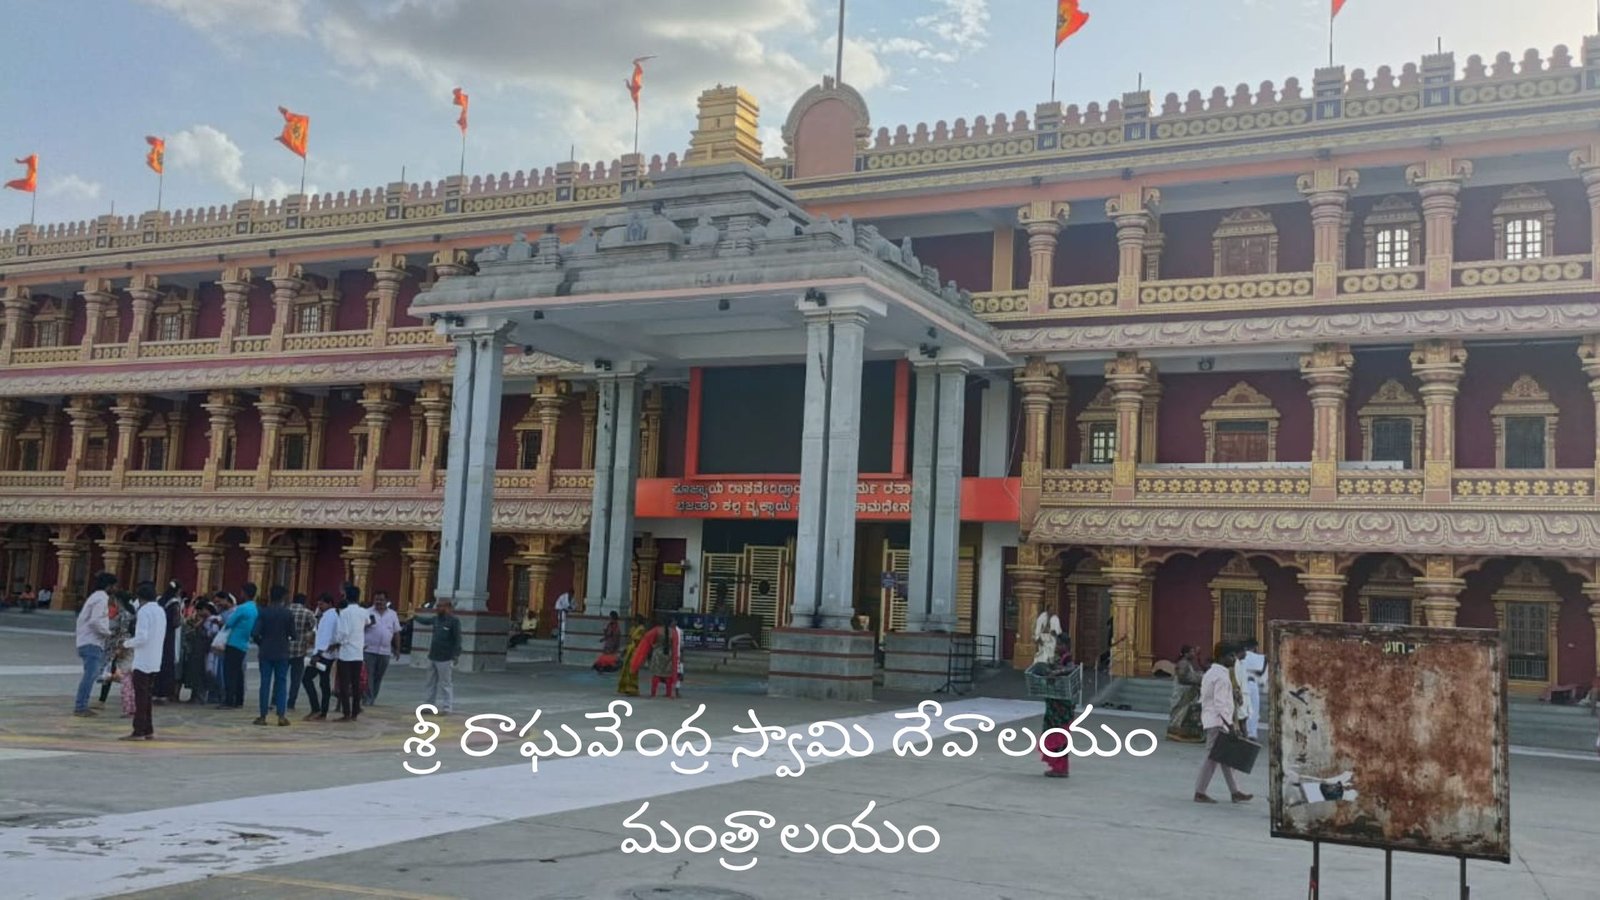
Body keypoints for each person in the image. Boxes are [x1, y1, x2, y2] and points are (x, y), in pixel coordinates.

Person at [1195, 642, 1252, 804]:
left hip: (1213, 718)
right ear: (1221, 657)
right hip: (1218, 721)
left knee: (1226, 757)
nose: (1234, 659)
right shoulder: (1221, 676)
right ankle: (1200, 792)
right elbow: (1220, 704)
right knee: (1212, 758)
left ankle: (1235, 791)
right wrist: (1231, 726)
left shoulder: (1211, 673)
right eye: (1231, 656)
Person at [122, 582, 167, 741]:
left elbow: (142, 637)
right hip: (155, 658)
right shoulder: (161, 610)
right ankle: (148, 728)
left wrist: (126, 644)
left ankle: (139, 730)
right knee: (146, 696)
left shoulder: (144, 611)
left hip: (143, 660)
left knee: (140, 697)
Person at [73, 572, 117, 717]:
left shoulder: (95, 597)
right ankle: (80, 706)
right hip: (92, 641)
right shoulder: (101, 598)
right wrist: (108, 633)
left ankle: (81, 704)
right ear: (109, 586)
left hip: (87, 640)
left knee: (91, 674)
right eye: (114, 586)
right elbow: (95, 621)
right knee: (90, 675)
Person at [251, 585, 296, 726]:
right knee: (281, 683)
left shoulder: (263, 612)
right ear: (283, 597)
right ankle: (281, 716)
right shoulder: (287, 613)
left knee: (265, 683)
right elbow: (293, 634)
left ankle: (263, 716)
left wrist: (262, 643)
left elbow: (254, 633)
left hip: (266, 652)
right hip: (282, 651)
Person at [220, 583, 259, 709]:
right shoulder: (255, 609)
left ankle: (229, 700)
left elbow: (229, 622)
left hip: (234, 641)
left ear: (244, 593)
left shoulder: (242, 608)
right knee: (238, 673)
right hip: (244, 642)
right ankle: (239, 699)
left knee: (229, 672)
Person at [334, 584, 368, 721]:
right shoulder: (363, 612)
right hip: (358, 651)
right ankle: (355, 711)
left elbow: (343, 633)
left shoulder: (345, 613)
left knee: (344, 684)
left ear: (346, 596)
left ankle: (346, 712)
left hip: (346, 652)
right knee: (356, 683)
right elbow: (367, 622)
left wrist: (338, 641)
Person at [302, 593, 338, 720]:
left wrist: (318, 654)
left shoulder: (330, 617)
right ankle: (323, 711)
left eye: (322, 604)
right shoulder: (328, 615)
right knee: (324, 682)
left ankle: (316, 708)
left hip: (323, 654)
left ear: (329, 603)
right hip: (327, 653)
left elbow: (326, 636)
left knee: (306, 678)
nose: (319, 606)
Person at [362, 590, 400, 705]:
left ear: (387, 601)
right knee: (368, 675)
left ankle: (373, 696)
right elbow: (358, 629)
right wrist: (368, 624)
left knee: (378, 676)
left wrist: (397, 649)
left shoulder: (392, 614)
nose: (379, 602)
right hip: (368, 649)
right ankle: (367, 698)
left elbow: (396, 632)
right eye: (376, 599)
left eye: (381, 600)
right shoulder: (367, 612)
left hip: (385, 651)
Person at [630, 615, 682, 699]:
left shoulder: (656, 630)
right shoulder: (673, 632)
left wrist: (653, 646)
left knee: (656, 674)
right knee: (668, 674)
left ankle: (653, 693)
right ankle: (668, 693)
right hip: (669, 654)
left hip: (658, 653)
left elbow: (647, 639)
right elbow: (675, 645)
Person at [424, 599, 461, 714]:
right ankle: (429, 705)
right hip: (433, 655)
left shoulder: (454, 621)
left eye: (441, 606)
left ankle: (447, 707)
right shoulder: (436, 619)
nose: (438, 608)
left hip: (445, 657)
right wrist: (414, 617)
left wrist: (456, 655)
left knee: (446, 683)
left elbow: (457, 639)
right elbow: (426, 621)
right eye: (437, 606)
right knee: (430, 682)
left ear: (448, 608)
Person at [1167, 645, 1205, 743]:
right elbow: (1182, 678)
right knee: (1180, 711)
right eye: (1191, 652)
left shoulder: (1187, 663)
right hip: (1183, 692)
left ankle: (1182, 733)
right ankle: (1176, 732)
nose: (1193, 654)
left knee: (1186, 712)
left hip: (1188, 692)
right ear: (1186, 653)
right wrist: (1198, 680)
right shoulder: (1183, 663)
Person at [286, 593, 317, 712]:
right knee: (296, 679)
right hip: (300, 649)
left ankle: (275, 699)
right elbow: (314, 628)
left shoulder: (286, 611)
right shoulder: (308, 613)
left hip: (284, 648)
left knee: (281, 676)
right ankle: (291, 702)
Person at [180, 600, 214, 703]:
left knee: (201, 673)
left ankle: (200, 696)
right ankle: (194, 695)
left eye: (199, 610)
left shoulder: (211, 620)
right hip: (196, 650)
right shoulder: (198, 619)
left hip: (203, 650)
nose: (197, 613)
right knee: (194, 672)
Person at [155, 581, 184, 702]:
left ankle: (155, 691)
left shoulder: (160, 601)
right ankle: (165, 692)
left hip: (160, 634)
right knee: (168, 662)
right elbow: (176, 622)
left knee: (159, 662)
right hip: (170, 635)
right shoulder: (175, 603)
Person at [1239, 638, 1267, 741]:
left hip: (1241, 684)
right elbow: (1261, 672)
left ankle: (1243, 731)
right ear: (1255, 647)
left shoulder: (1239, 656)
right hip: (1251, 684)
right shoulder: (1258, 657)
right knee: (1253, 710)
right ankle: (1252, 733)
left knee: (1242, 708)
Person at [617, 615, 647, 697]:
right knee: (626, 669)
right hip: (630, 649)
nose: (633, 622)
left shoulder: (641, 629)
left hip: (636, 650)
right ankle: (626, 687)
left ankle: (633, 689)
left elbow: (640, 641)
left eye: (634, 620)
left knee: (632, 669)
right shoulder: (633, 628)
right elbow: (629, 640)